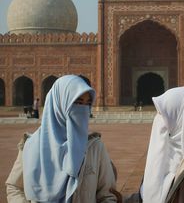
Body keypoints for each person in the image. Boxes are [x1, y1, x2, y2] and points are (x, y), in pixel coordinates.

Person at [6, 75, 118, 203]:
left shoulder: (94, 147)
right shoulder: (31, 145)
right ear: (60, 104)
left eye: (87, 104)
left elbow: (107, 195)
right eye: (77, 102)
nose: (83, 110)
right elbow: (14, 187)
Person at [126, 86, 184, 203]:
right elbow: (146, 196)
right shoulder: (164, 153)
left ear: (179, 117)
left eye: (163, 113)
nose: (158, 118)